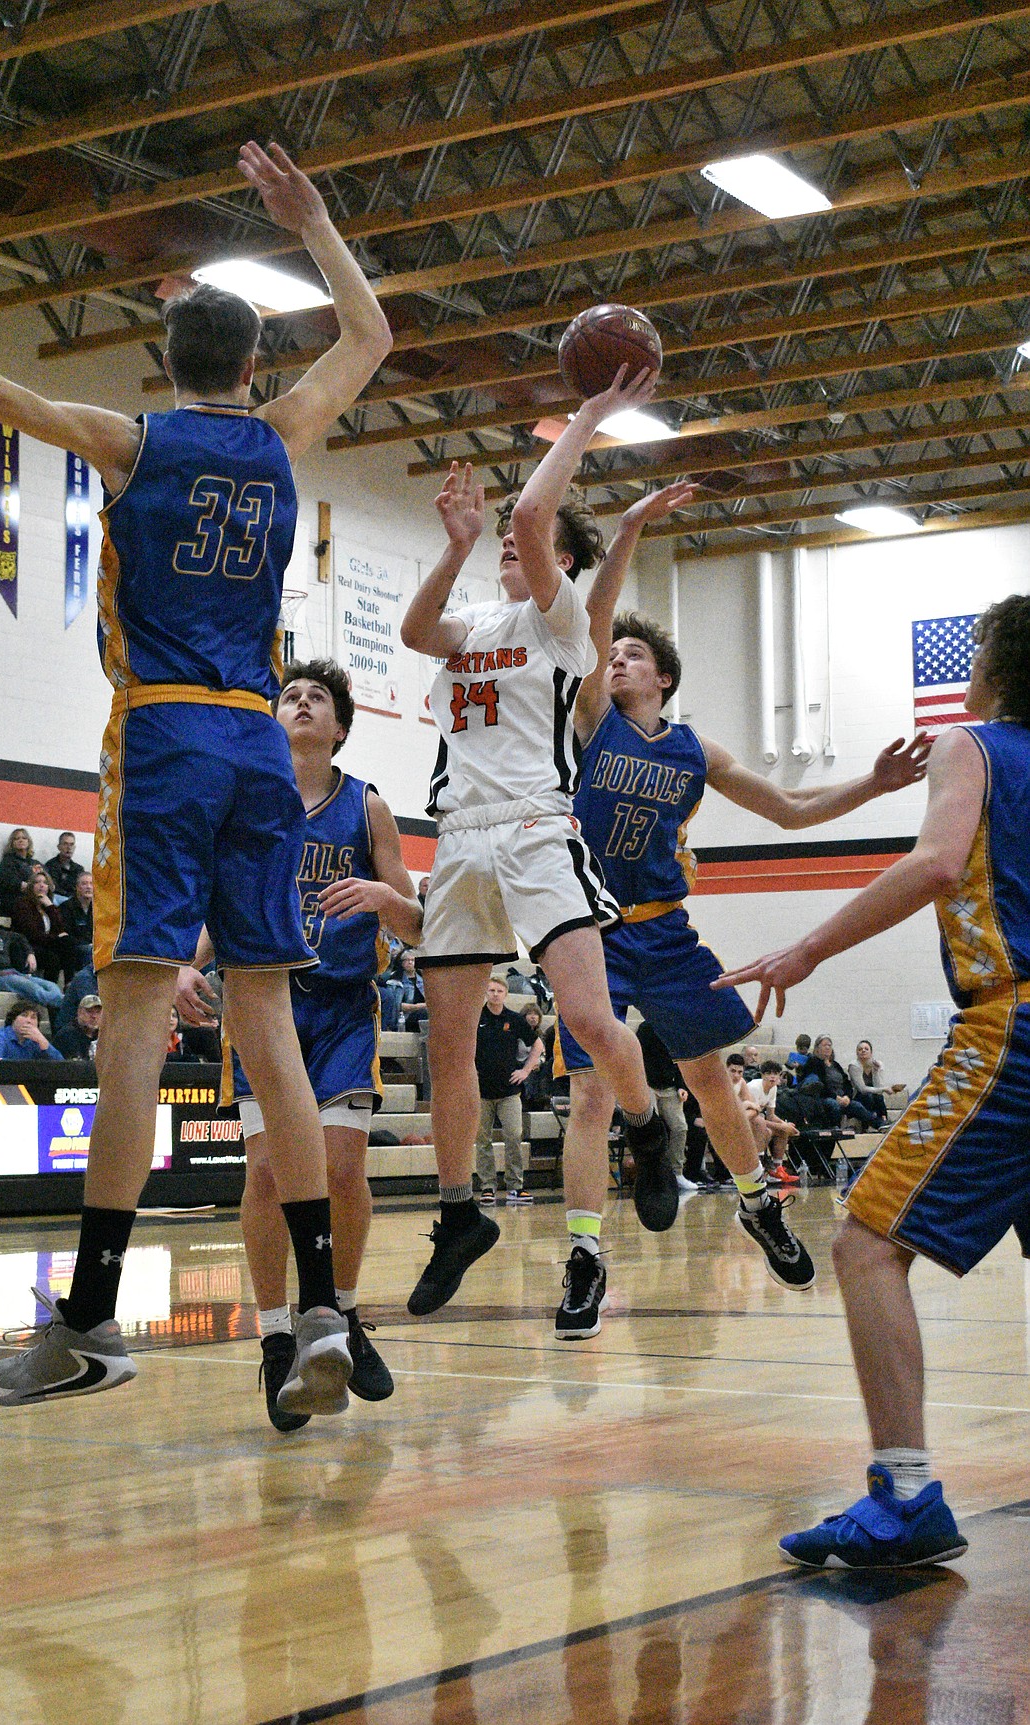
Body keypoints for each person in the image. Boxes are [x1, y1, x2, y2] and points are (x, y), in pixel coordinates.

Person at [0, 136, 390, 1409]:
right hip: (262, 739)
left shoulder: (132, 440)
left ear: (170, 362)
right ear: (255, 367)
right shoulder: (281, 438)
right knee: (265, 1017)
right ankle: (321, 1309)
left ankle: (94, 1318)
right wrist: (313, 222)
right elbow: (370, 336)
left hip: (161, 735)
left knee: (140, 1020)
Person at [551, 491, 933, 1342]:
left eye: (634, 654)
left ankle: (760, 1206)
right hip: (592, 931)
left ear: (666, 678)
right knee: (588, 1095)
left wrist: (873, 784)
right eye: (611, 651)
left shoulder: (696, 752)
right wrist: (630, 534)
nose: (616, 658)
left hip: (665, 927)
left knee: (710, 1081)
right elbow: (596, 612)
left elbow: (791, 811)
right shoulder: (591, 720)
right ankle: (584, 1256)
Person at [718, 594, 1030, 1571]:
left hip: (1010, 1028)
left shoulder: (971, 746)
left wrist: (807, 947)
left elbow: (939, 862)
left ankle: (903, 1491)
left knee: (863, 1241)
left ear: (988, 667)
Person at [398, 373, 677, 1322]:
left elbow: (530, 515)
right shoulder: (471, 623)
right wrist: (455, 545)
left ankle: (647, 1125)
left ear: (556, 562)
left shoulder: (561, 628)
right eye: (510, 551)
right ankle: (458, 1213)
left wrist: (591, 416)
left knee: (593, 1022)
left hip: (534, 824)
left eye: (530, 548)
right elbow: (413, 629)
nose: (514, 553)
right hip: (460, 835)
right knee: (446, 1043)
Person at [177, 659, 422, 1430]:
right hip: (262, 1001)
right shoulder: (248, 799)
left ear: (340, 728)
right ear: (272, 718)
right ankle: (277, 1337)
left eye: (319, 698)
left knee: (343, 1168)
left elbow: (418, 922)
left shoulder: (367, 806)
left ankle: (342, 1313)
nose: (303, 703)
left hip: (344, 1006)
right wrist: (189, 963)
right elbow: (224, 905)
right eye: (291, 695)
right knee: (263, 1175)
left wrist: (388, 897)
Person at [474, 976, 543, 1205]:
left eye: (499, 990)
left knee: (513, 1136)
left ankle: (515, 1187)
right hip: (480, 1091)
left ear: (506, 994)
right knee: (482, 1140)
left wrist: (525, 1070)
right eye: (491, 990)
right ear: (485, 992)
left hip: (510, 1091)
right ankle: (487, 1187)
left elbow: (538, 1045)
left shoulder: (514, 1019)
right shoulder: (476, 1018)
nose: (495, 994)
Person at [0, 907, 64, 1012]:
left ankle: (66, 1005)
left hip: (15, 973)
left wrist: (30, 953)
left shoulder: (4, 933)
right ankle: (70, 1006)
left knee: (52, 986)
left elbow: (21, 938)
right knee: (38, 992)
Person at [636, 1020, 692, 1194]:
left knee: (680, 1127)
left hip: (669, 1086)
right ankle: (651, 1174)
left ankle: (677, 1172)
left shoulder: (675, 1027)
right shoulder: (645, 1029)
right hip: (648, 1085)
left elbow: (680, 1060)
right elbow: (637, 1057)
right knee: (652, 1127)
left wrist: (682, 1085)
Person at [11, 866, 76, 984]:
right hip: (29, 946)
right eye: (37, 882)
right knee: (53, 958)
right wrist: (56, 938)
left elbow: (60, 928)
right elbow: (32, 934)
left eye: (45, 883)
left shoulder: (47, 906)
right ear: (31, 886)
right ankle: (57, 989)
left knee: (68, 942)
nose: (41, 885)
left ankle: (69, 983)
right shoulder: (23, 905)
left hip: (45, 944)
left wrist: (50, 906)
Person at [800, 1035, 878, 1131]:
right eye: (824, 1045)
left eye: (829, 1045)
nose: (828, 1047)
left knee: (857, 1105)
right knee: (833, 1104)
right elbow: (820, 1086)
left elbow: (847, 1084)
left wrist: (847, 1097)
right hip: (824, 1098)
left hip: (842, 1098)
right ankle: (835, 1128)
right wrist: (836, 1097)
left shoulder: (835, 1065)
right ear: (817, 1048)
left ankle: (879, 1124)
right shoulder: (813, 1062)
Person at [745, 1059, 800, 1183]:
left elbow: (771, 1116)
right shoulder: (754, 1087)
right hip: (743, 1121)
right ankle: (758, 1170)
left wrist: (785, 1125)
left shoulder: (773, 1088)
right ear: (762, 1075)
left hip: (757, 1121)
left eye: (775, 1073)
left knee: (782, 1131)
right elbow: (753, 1118)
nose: (772, 1076)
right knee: (766, 1130)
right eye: (769, 1073)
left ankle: (777, 1169)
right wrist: (782, 1126)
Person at [848, 1039, 905, 1125]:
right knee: (868, 1095)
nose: (863, 1051)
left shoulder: (876, 1064)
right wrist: (885, 1089)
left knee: (879, 1097)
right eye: (860, 1049)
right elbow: (862, 1089)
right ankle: (878, 1121)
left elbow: (879, 1086)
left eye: (866, 1049)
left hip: (873, 1097)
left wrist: (876, 1071)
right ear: (857, 1053)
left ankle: (884, 1120)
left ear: (871, 1053)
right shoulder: (854, 1066)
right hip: (859, 1096)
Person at [0, 1000, 65, 1062]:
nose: (29, 1021)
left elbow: (61, 1066)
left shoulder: (36, 1040)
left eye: (33, 1017)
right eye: (24, 1015)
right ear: (13, 1019)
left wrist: (43, 1042)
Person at [0, 828, 37, 914]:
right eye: (17, 838)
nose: (21, 840)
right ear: (12, 843)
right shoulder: (7, 861)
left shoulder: (35, 863)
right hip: (17, 900)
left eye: (24, 838)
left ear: (29, 842)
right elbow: (6, 880)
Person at [53, 993, 103, 1061]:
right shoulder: (66, 1035)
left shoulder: (105, 1035)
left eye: (98, 1012)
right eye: (89, 1011)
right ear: (79, 1012)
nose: (94, 1016)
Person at [63, 872, 95, 972]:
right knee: (89, 951)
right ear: (77, 887)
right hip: (74, 947)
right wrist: (87, 944)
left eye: (91, 883)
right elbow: (66, 934)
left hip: (94, 945)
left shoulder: (97, 908)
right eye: (84, 884)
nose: (88, 887)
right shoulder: (67, 907)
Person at [45, 831, 84, 901]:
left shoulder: (79, 869)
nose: (69, 847)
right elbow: (53, 888)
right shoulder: (50, 865)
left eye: (71, 844)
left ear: (74, 847)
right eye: (65, 844)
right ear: (59, 847)